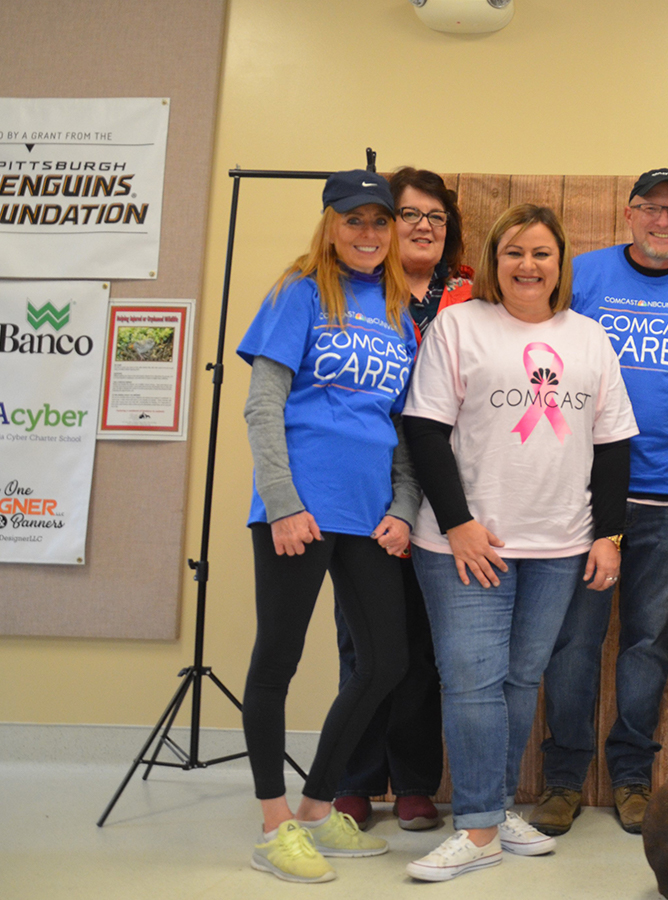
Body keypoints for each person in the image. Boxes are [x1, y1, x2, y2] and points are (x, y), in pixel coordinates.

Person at [401, 204, 638, 881]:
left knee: (517, 679)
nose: (528, 266)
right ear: (494, 262)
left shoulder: (589, 337)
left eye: (541, 253)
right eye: (514, 253)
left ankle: (494, 808)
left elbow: (614, 445)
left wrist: (607, 536)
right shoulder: (459, 326)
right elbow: (423, 430)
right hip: (467, 545)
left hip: (559, 546)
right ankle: (476, 830)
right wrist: (458, 523)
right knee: (473, 683)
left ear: (560, 264)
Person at [534, 167, 668, 836]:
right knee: (573, 642)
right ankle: (563, 781)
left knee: (648, 643)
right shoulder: (584, 275)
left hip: (667, 498)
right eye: (651, 208)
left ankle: (632, 779)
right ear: (630, 214)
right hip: (580, 495)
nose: (662, 221)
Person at [237, 170, 418, 882]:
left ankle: (316, 807)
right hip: (300, 511)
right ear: (330, 223)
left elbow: (401, 426)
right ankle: (273, 822)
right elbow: (262, 404)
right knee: (277, 660)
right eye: (354, 221)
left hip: (368, 514)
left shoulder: (400, 309)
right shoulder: (301, 291)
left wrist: (402, 509)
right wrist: (281, 501)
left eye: (380, 222)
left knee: (385, 663)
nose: (368, 234)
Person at [330, 166, 471, 833]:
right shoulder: (356, 294)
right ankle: (355, 779)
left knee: (419, 648)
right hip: (364, 491)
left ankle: (414, 782)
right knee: (363, 644)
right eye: (408, 214)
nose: (421, 226)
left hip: (446, 493)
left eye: (435, 217)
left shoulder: (473, 297)